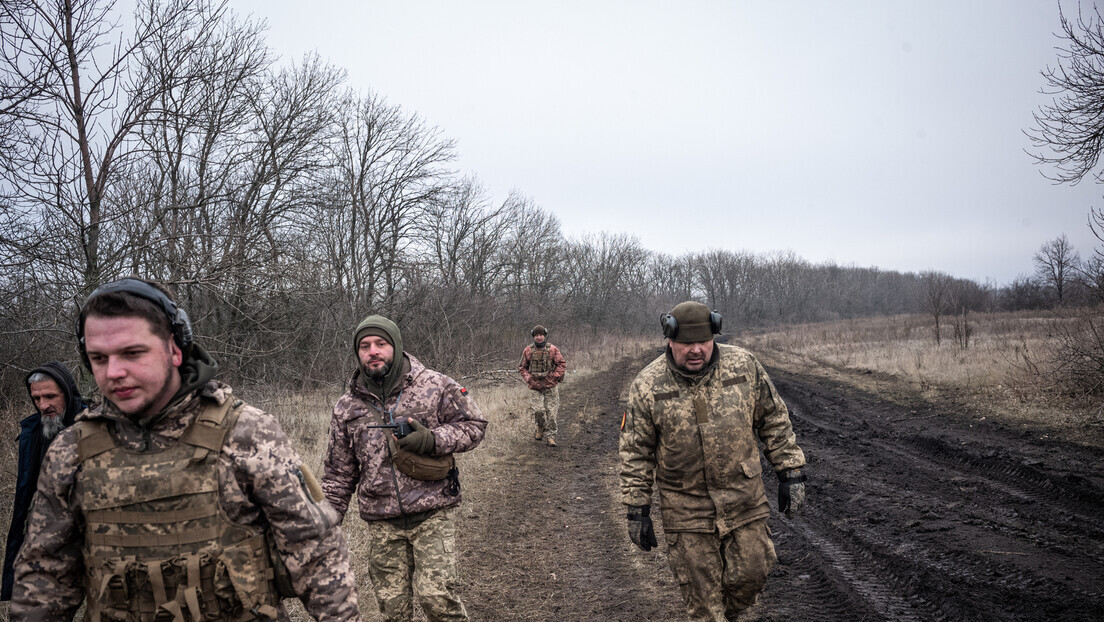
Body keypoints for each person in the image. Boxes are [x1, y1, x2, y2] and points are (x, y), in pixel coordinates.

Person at [11, 278, 361, 621]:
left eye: (133, 353)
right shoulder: (70, 452)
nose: (114, 372)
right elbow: (44, 578)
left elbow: (315, 552)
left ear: (175, 349)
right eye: (98, 358)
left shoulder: (247, 433)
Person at [619, 301, 807, 621]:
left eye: (703, 342)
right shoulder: (648, 385)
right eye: (686, 344)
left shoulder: (743, 366)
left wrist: (790, 471)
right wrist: (637, 508)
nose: (695, 350)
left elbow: (774, 419)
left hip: (743, 497)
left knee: (753, 574)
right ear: (670, 340)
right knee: (705, 605)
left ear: (714, 337)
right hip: (685, 505)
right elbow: (636, 451)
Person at [322, 315, 487, 622]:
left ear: (395, 347)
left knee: (438, 601)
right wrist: (324, 523)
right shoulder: (346, 408)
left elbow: (475, 425)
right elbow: (338, 473)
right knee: (392, 610)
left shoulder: (435, 385)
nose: (373, 351)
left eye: (381, 344)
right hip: (382, 522)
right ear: (357, 353)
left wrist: (433, 440)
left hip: (432, 511)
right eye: (365, 346)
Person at [2, 362, 85, 602]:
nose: (43, 405)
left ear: (67, 393)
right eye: (36, 398)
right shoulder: (33, 431)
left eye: (50, 396)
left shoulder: (94, 429)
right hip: (45, 546)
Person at [517, 325, 566, 447]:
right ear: (534, 336)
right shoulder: (528, 350)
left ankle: (551, 437)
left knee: (552, 413)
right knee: (538, 411)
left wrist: (555, 376)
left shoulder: (553, 349)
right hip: (535, 386)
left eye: (541, 335)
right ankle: (540, 427)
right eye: (537, 335)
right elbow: (522, 367)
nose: (539, 337)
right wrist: (528, 378)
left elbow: (561, 364)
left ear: (545, 336)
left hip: (551, 386)